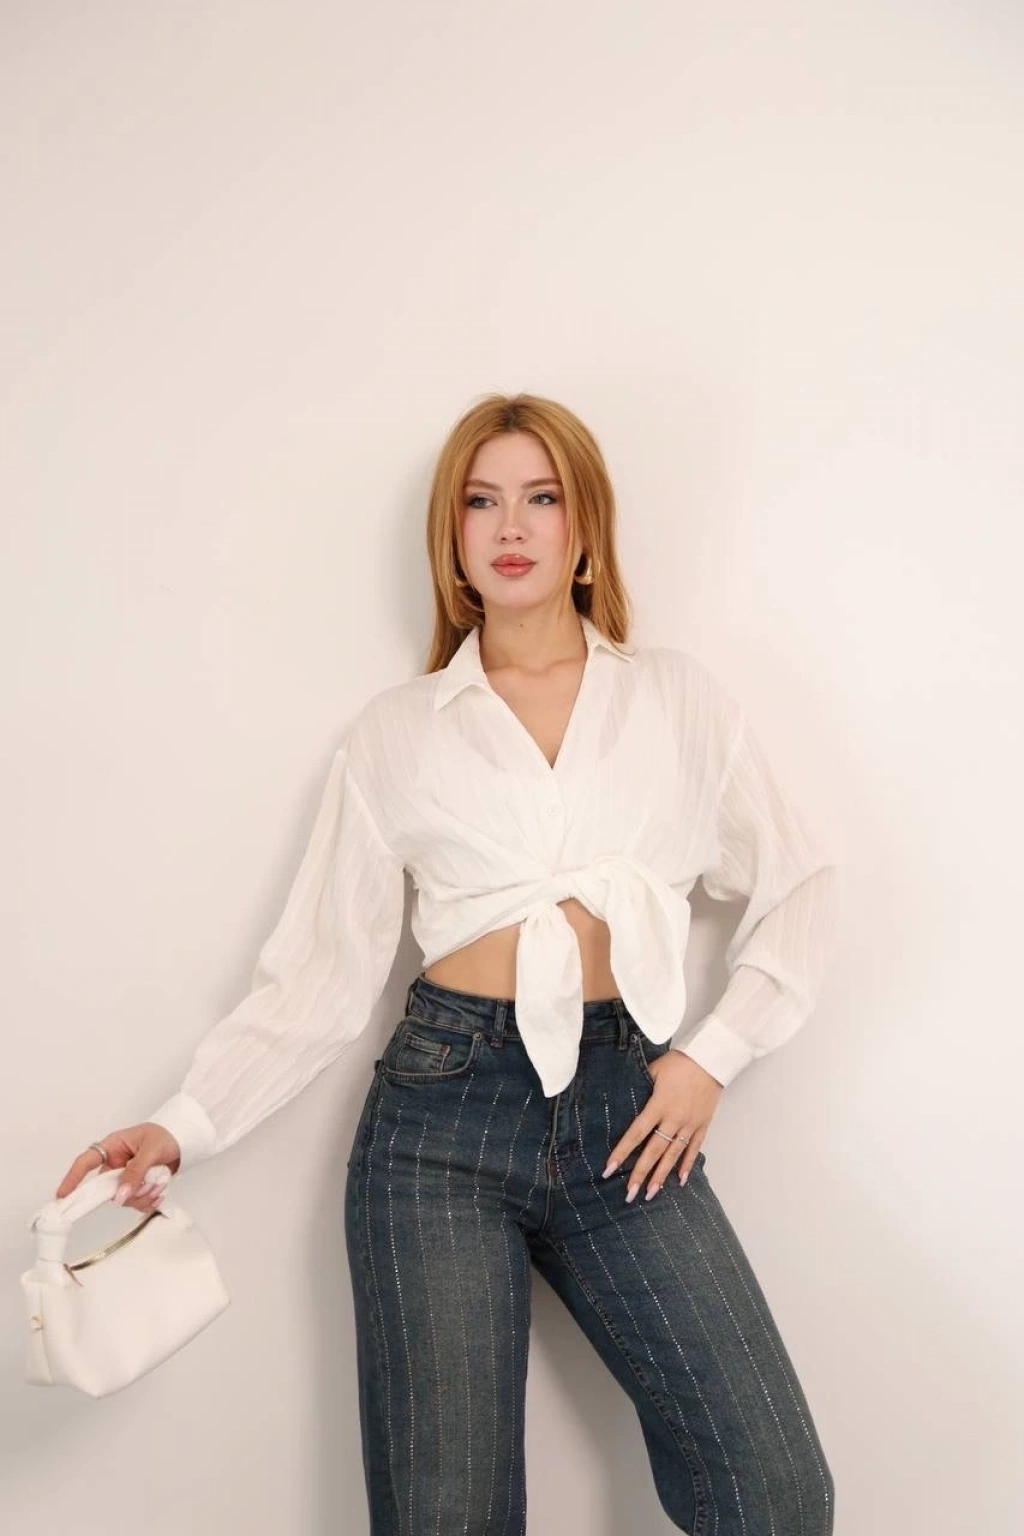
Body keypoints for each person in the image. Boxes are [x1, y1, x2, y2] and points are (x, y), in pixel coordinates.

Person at [55, 392, 838, 1534]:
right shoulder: (398, 732)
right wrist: (184, 1123)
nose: (510, 525)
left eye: (540, 497)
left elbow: (800, 886)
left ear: (583, 527)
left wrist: (711, 1058)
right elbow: (321, 976)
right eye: (481, 502)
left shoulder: (676, 701)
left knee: (775, 1490)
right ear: (453, 537)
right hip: (439, 1129)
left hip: (630, 1111)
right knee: (447, 1516)